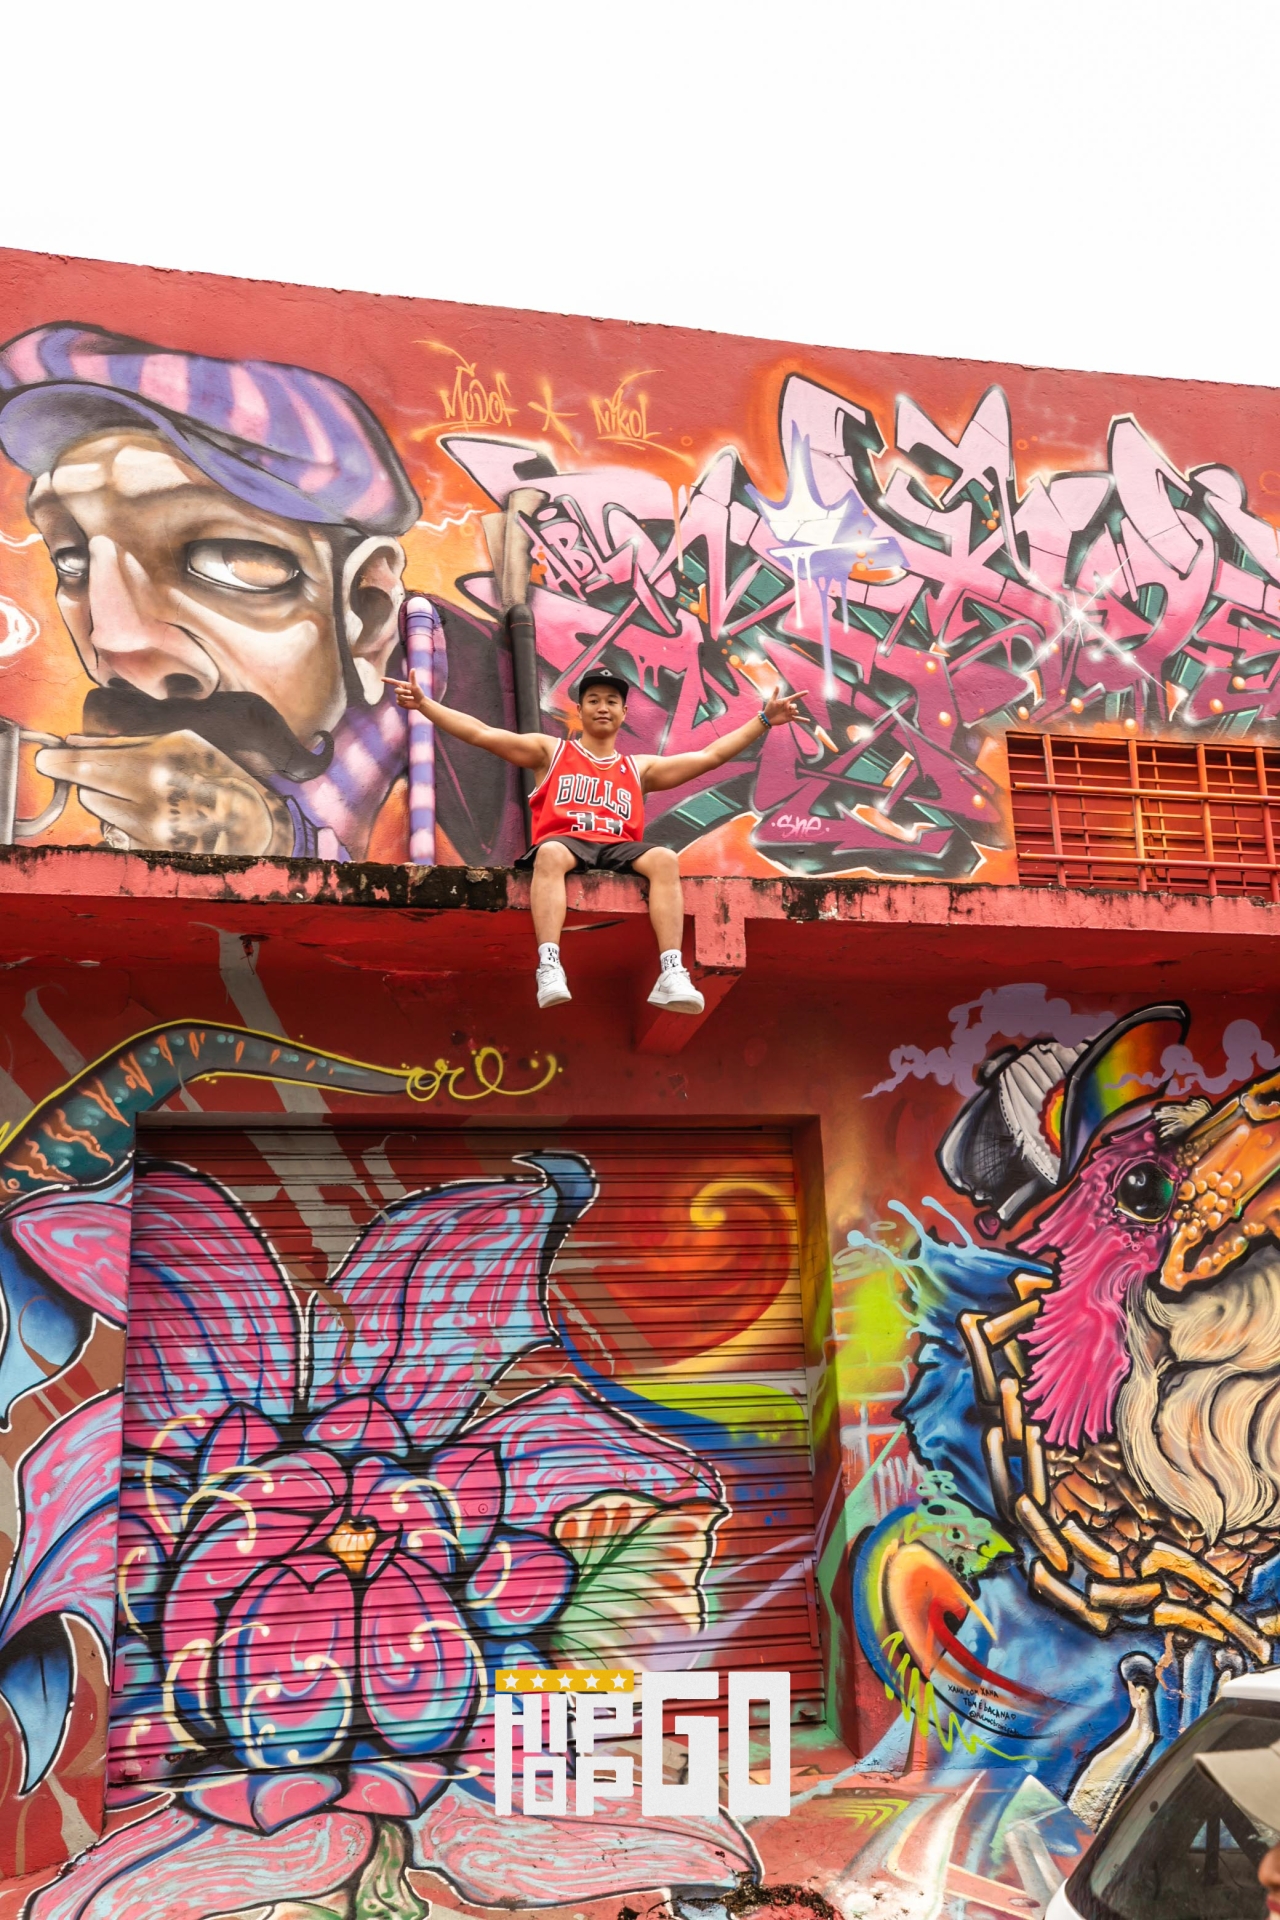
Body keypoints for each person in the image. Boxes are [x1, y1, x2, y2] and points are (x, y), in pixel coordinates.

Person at [0, 322, 445, 860]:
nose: (115, 652)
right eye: (73, 560)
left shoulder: (470, 769)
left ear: (366, 613)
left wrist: (279, 843)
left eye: (227, 560)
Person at [386, 664, 806, 1011]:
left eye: (611, 701)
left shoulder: (638, 768)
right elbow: (481, 733)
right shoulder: (551, 752)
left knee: (664, 858)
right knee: (550, 852)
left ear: (623, 712)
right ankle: (549, 965)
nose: (602, 707)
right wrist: (425, 704)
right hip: (567, 842)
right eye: (593, 700)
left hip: (617, 847)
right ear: (580, 710)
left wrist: (763, 720)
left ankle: (671, 971)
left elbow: (709, 756)